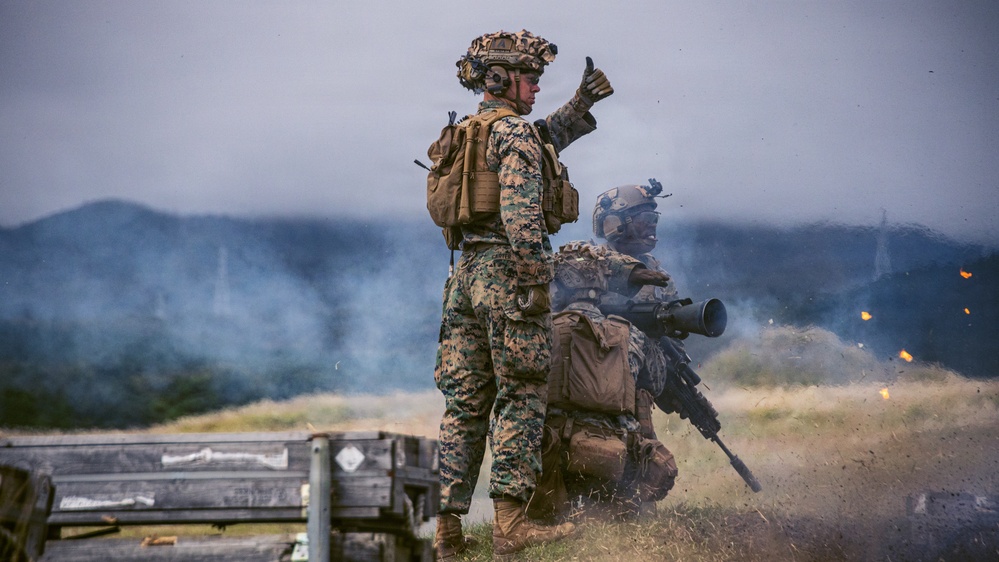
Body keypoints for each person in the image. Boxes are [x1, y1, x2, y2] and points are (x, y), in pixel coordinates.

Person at [434, 30, 614, 561]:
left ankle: (447, 532)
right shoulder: (512, 132)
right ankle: (511, 525)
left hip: (464, 277)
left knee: (465, 404)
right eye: (531, 78)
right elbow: (521, 212)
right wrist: (536, 279)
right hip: (507, 274)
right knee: (523, 391)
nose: (536, 87)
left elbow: (541, 136)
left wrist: (580, 103)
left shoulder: (470, 130)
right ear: (501, 78)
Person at [529, 242, 678, 522]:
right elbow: (655, 385)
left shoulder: (543, 330)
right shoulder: (632, 334)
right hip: (617, 463)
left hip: (557, 461)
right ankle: (633, 509)